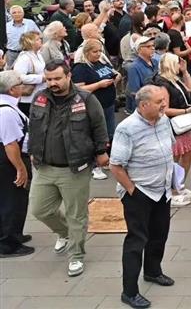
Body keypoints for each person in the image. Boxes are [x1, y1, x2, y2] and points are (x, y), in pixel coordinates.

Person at [28, 60, 109, 278]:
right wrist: (33, 150)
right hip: (44, 167)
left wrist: (102, 151)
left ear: (68, 76)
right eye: (48, 79)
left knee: (76, 215)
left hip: (75, 168)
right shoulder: (40, 98)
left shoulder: (85, 99)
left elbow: (99, 127)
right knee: (39, 209)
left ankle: (76, 255)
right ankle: (64, 233)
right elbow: (33, 126)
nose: (52, 83)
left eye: (57, 78)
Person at [109, 85, 175, 309]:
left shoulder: (163, 119)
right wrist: (132, 191)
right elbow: (115, 166)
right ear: (143, 105)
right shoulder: (127, 129)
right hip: (140, 192)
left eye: (163, 101)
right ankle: (129, 292)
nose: (163, 105)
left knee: (160, 233)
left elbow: (168, 147)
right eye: (159, 102)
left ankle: (153, 271)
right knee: (137, 241)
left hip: (162, 190)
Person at [153, 53, 191, 207]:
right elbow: (164, 109)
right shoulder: (163, 84)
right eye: (178, 63)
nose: (180, 65)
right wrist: (186, 111)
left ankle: (179, 185)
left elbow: (190, 89)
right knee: (175, 158)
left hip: (183, 125)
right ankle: (172, 190)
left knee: (188, 155)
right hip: (173, 126)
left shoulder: (174, 79)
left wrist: (185, 72)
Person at [72, 39, 120, 181]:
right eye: (95, 51)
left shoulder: (100, 63)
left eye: (100, 51)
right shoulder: (80, 68)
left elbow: (112, 73)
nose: (98, 54)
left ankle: (105, 160)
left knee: (109, 133)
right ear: (86, 52)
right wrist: (99, 85)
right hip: (94, 107)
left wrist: (115, 78)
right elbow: (78, 89)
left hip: (108, 104)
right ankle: (94, 166)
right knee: (96, 135)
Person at [0, 71, 32, 258]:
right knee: (12, 201)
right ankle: (8, 243)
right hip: (8, 162)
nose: (24, 85)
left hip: (8, 160)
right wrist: (20, 169)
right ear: (13, 89)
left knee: (13, 199)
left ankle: (14, 235)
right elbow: (10, 144)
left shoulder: (8, 106)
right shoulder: (6, 112)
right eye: (21, 83)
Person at [12, 31, 45, 116]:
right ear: (30, 43)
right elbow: (19, 77)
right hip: (28, 98)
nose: (40, 40)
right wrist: (40, 78)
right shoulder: (24, 58)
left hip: (39, 94)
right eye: (37, 39)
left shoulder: (38, 54)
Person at [127, 36, 158, 115]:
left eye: (153, 45)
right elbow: (135, 92)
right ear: (140, 49)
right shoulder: (134, 67)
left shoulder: (155, 62)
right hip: (144, 108)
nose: (152, 48)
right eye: (148, 46)